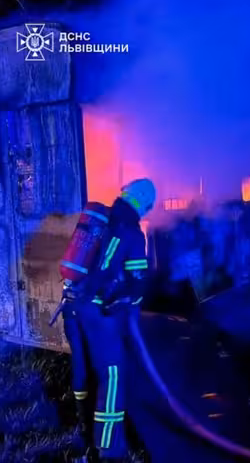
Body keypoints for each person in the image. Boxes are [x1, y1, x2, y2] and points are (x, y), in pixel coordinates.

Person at [62, 178, 156, 462]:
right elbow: (136, 283)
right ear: (144, 206)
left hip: (71, 305)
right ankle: (109, 448)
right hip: (97, 313)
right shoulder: (133, 234)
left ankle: (80, 425)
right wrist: (131, 307)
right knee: (112, 375)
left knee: (81, 367)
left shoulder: (98, 220)